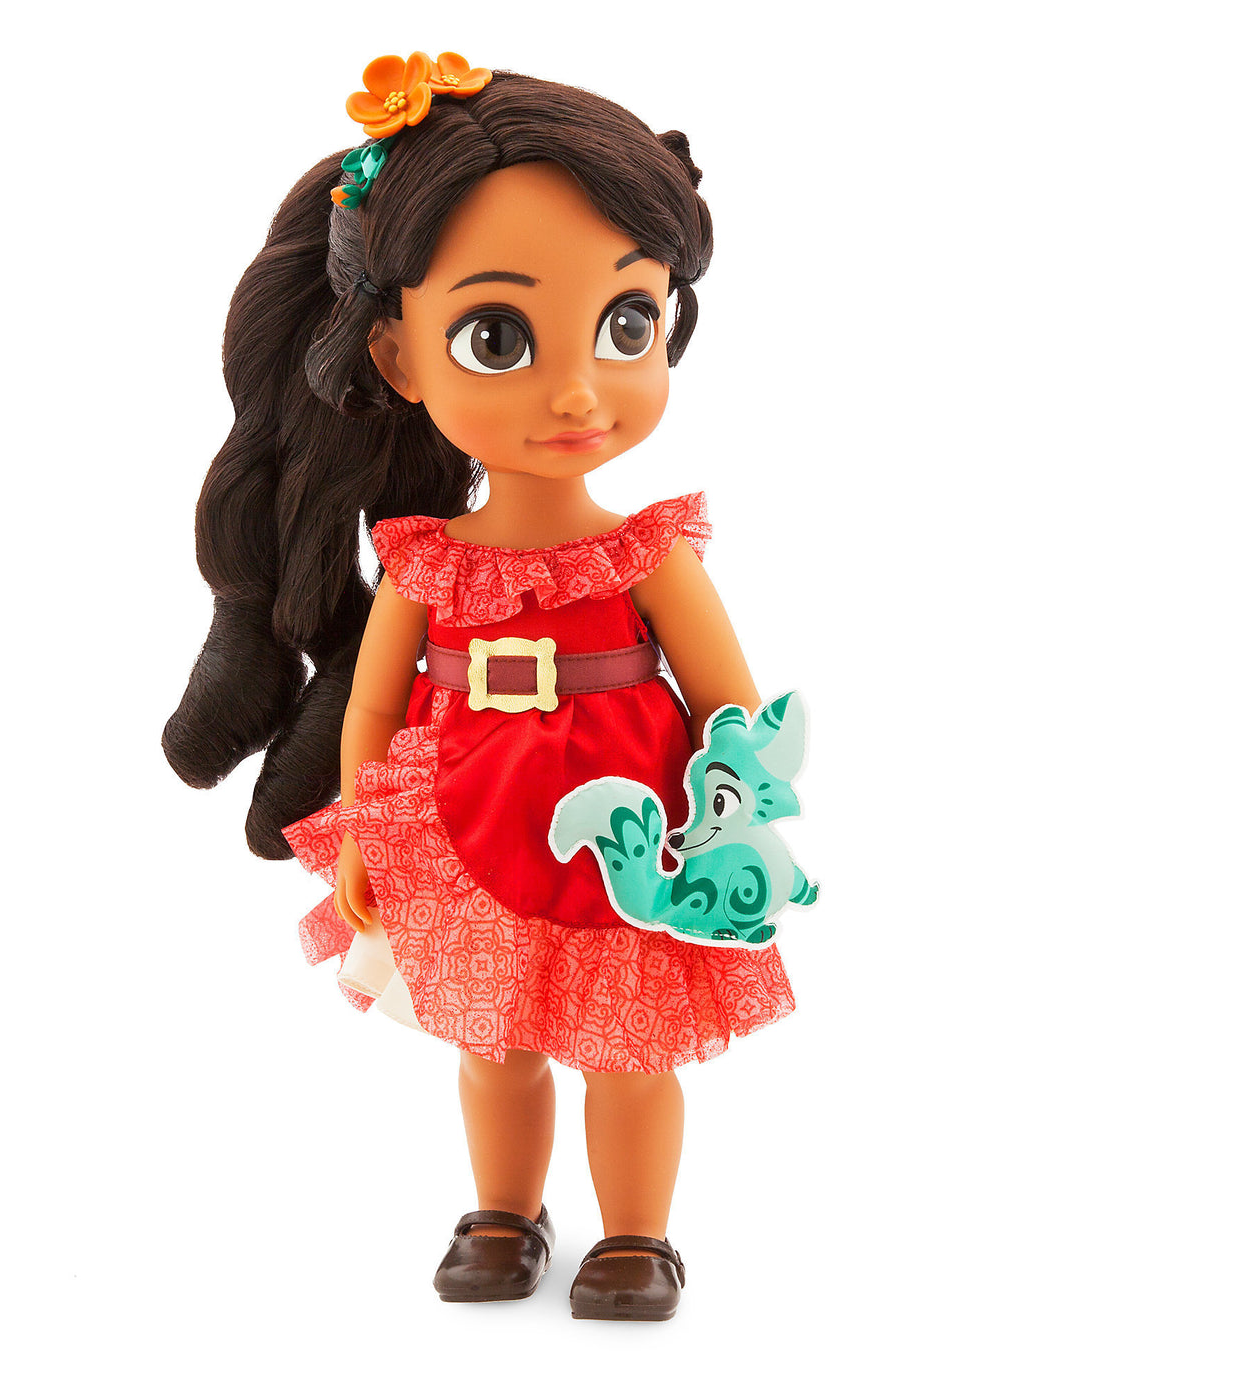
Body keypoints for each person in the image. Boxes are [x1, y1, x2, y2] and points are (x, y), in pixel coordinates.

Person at [165, 53, 802, 1322]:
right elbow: (370, 708)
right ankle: (504, 1211)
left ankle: (635, 1235)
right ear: (397, 355)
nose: (575, 390)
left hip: (632, 837)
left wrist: (735, 816)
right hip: (467, 823)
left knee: (629, 1049)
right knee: (491, 1040)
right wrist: (361, 828)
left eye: (626, 324)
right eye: (496, 337)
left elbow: (730, 702)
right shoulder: (422, 562)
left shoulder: (649, 554)